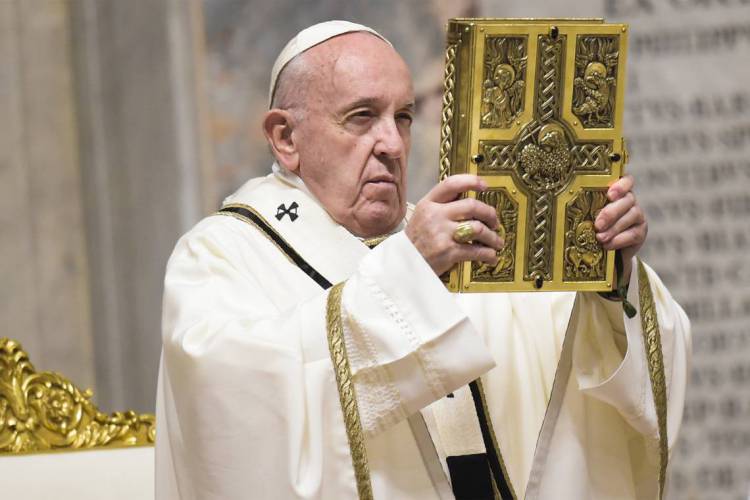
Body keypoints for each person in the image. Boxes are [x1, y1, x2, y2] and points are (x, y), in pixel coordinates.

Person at [155, 21, 690, 500]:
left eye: (404, 117)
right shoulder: (221, 255)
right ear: (285, 137)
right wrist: (409, 272)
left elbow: (574, 376)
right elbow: (227, 411)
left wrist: (605, 276)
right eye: (362, 117)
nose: (391, 143)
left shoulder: (461, 240)